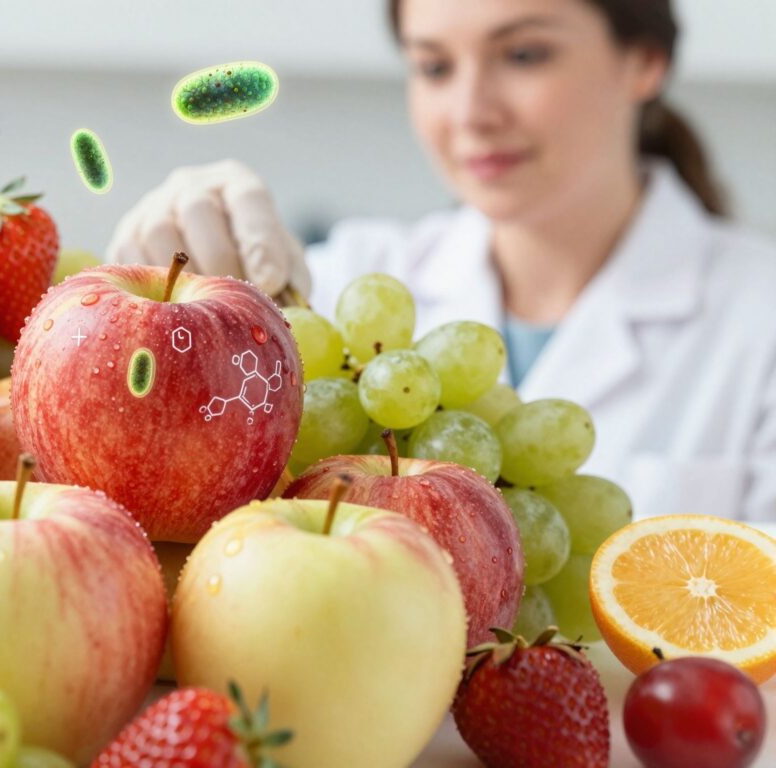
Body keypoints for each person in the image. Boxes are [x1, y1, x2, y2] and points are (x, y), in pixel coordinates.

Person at [107, 0, 776, 522]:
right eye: (434, 67)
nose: (470, 111)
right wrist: (156, 293)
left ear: (644, 60)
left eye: (523, 54)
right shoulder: (350, 288)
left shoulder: (758, 313)